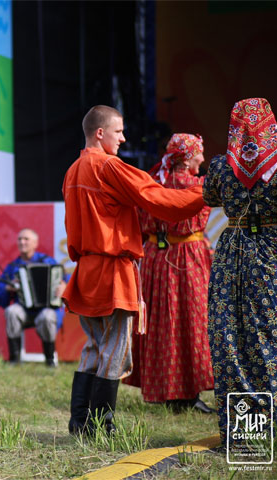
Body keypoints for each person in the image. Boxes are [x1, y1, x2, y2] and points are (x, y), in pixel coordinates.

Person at [62, 106, 205, 436]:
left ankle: (79, 421)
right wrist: (205, 192)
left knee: (95, 346)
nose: (124, 138)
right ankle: (102, 425)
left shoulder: (72, 170)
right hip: (112, 270)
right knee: (116, 348)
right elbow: (159, 200)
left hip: (86, 269)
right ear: (100, 133)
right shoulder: (109, 166)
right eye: (119, 131)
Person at [203, 98, 277, 443]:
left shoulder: (219, 167)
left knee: (231, 337)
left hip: (231, 253)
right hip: (274, 255)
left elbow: (209, 197)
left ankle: (243, 433)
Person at [122, 134, 215, 414]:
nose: (202, 158)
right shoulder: (200, 186)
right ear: (187, 158)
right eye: (199, 153)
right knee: (192, 323)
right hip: (188, 257)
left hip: (155, 257)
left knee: (162, 325)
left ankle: (166, 391)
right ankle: (188, 393)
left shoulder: (152, 183)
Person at [0, 229, 63, 366]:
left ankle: (49, 360)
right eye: (19, 239)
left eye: (26, 239)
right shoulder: (13, 267)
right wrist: (8, 288)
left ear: (35, 243)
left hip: (46, 310)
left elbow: (64, 279)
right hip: (23, 310)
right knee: (11, 311)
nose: (22, 242)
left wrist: (64, 286)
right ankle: (14, 359)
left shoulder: (48, 261)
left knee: (48, 316)